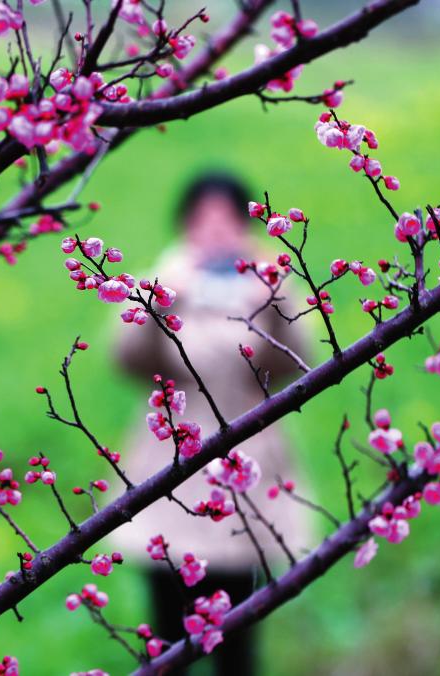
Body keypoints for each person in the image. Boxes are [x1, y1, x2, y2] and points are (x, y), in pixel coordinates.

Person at [112, 173, 312, 675]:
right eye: (204, 219)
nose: (216, 230)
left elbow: (299, 359)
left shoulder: (265, 286)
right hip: (171, 464)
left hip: (245, 465)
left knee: (238, 638)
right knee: (166, 636)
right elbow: (128, 359)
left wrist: (276, 293)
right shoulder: (164, 282)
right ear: (185, 226)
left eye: (227, 218)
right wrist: (160, 299)